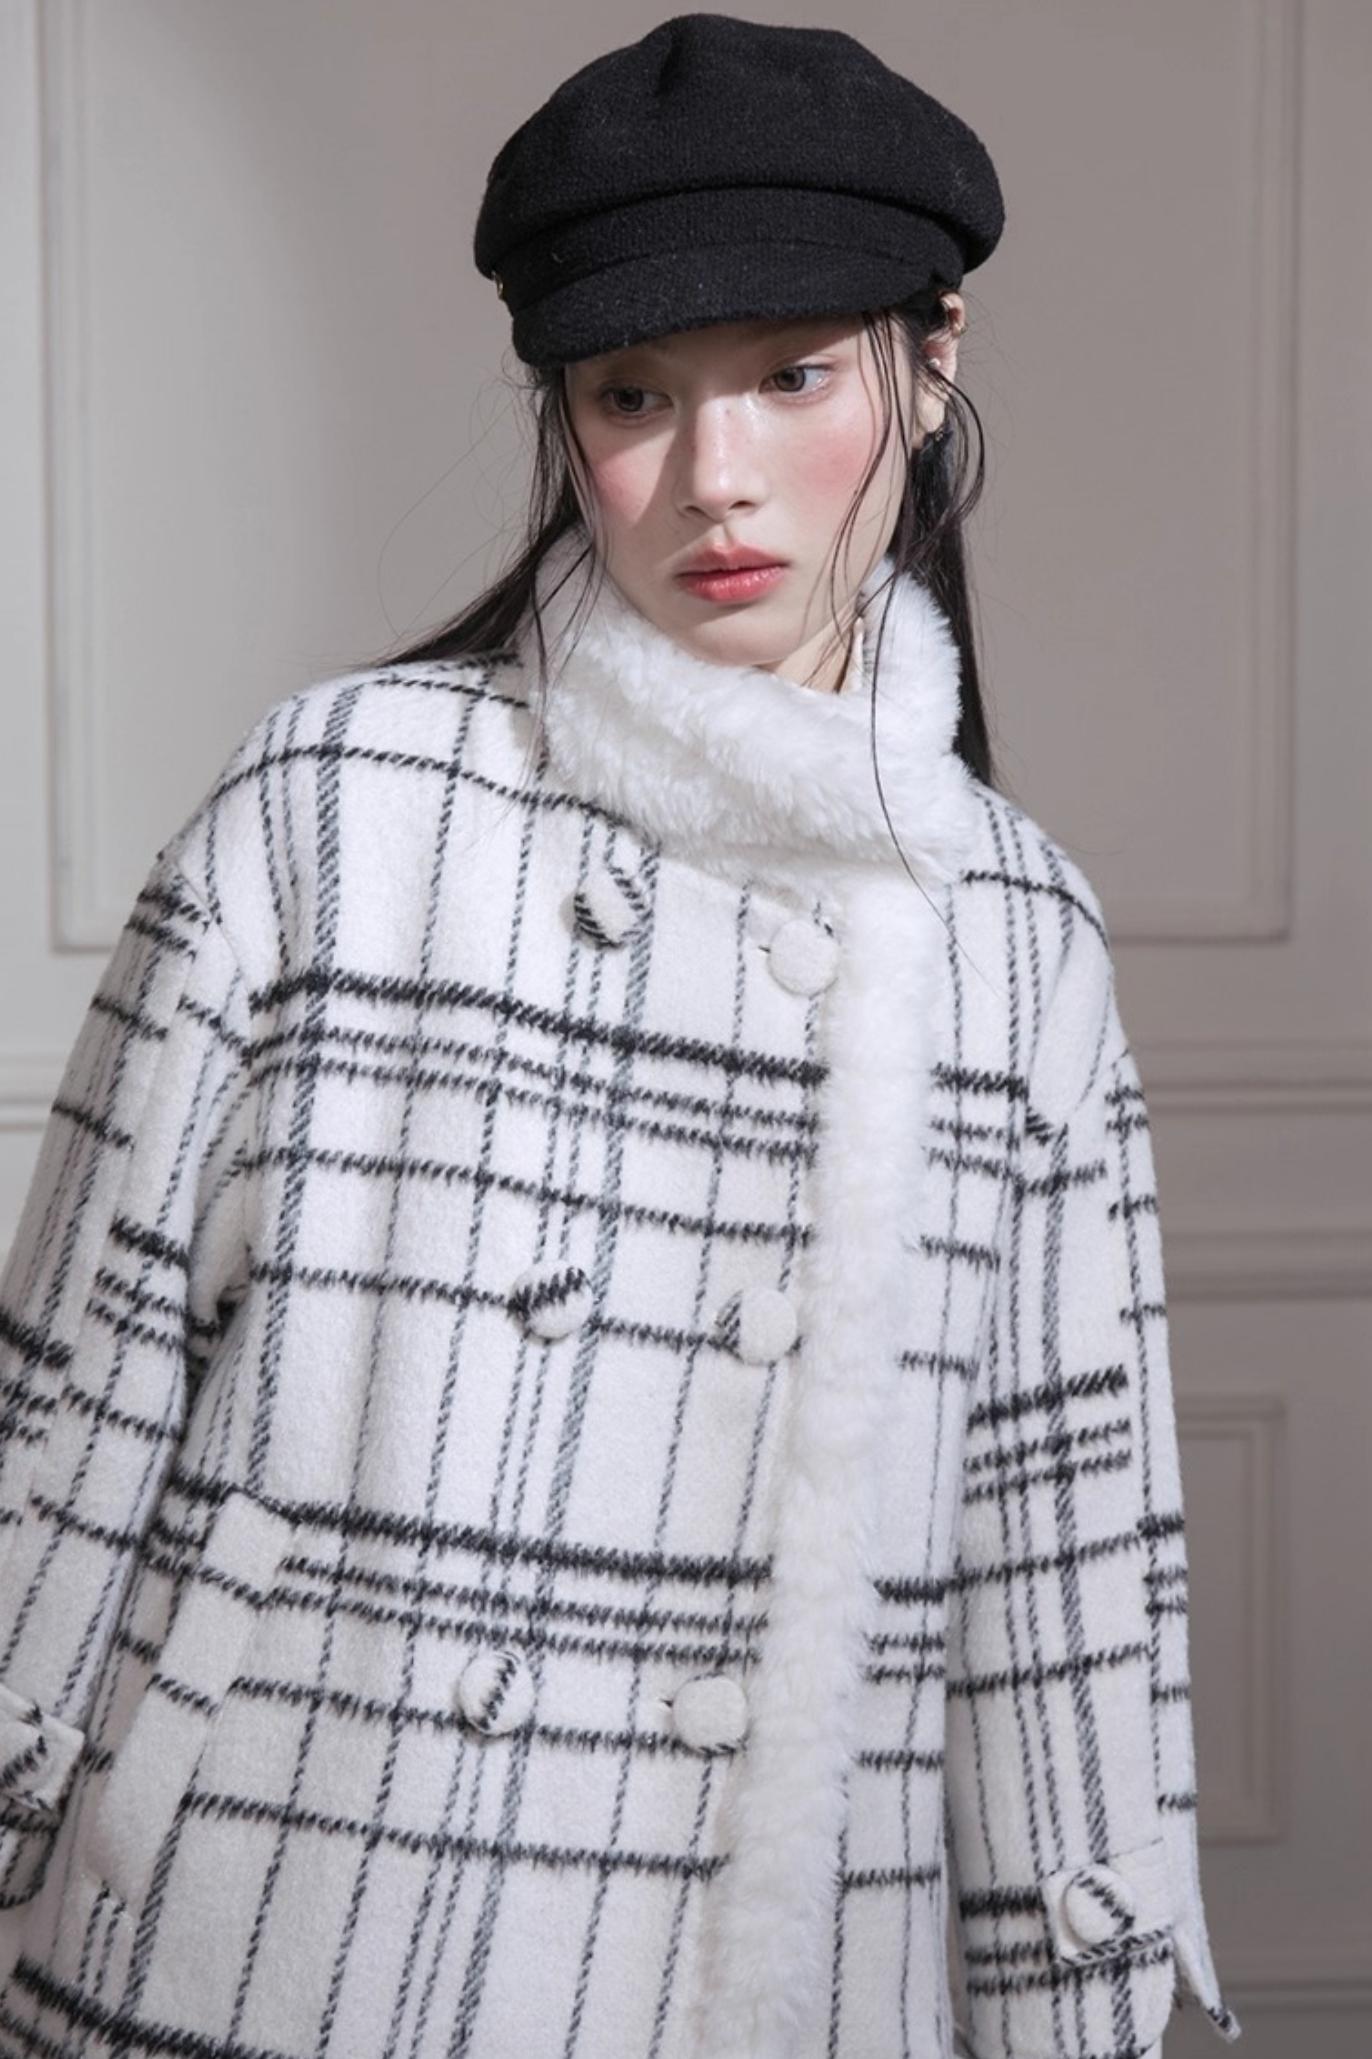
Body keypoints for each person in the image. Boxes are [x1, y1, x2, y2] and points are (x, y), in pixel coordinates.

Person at [0, 13, 1243, 2058]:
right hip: (287, 1907)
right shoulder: (339, 803)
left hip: (783, 1968)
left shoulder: (1011, 928)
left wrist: (1071, 2001)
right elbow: (77, 1379)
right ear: (563, 414)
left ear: (931, 364)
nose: (712, 476)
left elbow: (1057, 1547)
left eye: (792, 375)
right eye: (633, 395)